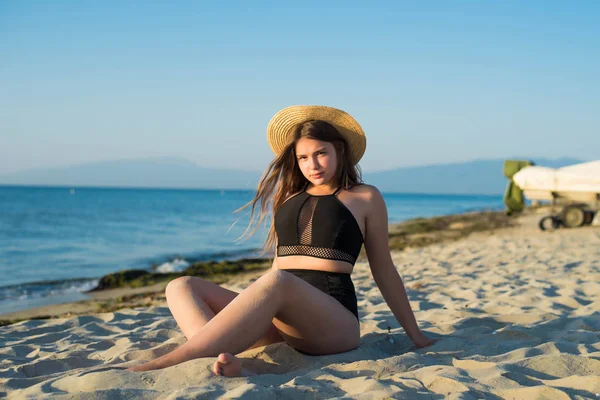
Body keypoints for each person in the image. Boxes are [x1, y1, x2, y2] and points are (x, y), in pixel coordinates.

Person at [128, 105, 435, 375]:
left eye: (321, 153)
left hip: (334, 326)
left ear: (339, 151)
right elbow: (280, 261)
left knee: (278, 282)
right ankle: (222, 359)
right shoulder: (289, 198)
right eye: (303, 157)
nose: (312, 165)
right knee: (180, 285)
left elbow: (383, 269)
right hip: (284, 324)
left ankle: (176, 360)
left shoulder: (365, 197)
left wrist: (415, 334)